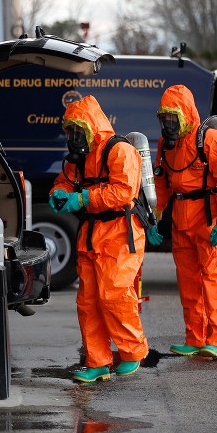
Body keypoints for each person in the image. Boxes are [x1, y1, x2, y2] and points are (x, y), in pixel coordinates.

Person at [49, 95, 149, 383]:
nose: (74, 136)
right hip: (92, 234)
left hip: (120, 231)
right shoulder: (78, 159)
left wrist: (81, 198)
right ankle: (98, 362)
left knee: (115, 294)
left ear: (92, 126)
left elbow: (123, 192)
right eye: (70, 131)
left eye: (78, 130)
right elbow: (64, 180)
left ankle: (133, 351)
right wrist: (58, 193)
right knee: (89, 301)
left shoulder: (119, 151)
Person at [146, 84, 217, 360]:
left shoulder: (209, 139)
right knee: (188, 282)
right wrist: (155, 218)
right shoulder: (166, 143)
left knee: (215, 280)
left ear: (185, 114)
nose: (169, 123)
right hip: (181, 218)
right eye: (165, 118)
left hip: (209, 217)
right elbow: (161, 183)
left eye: (173, 118)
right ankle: (195, 337)